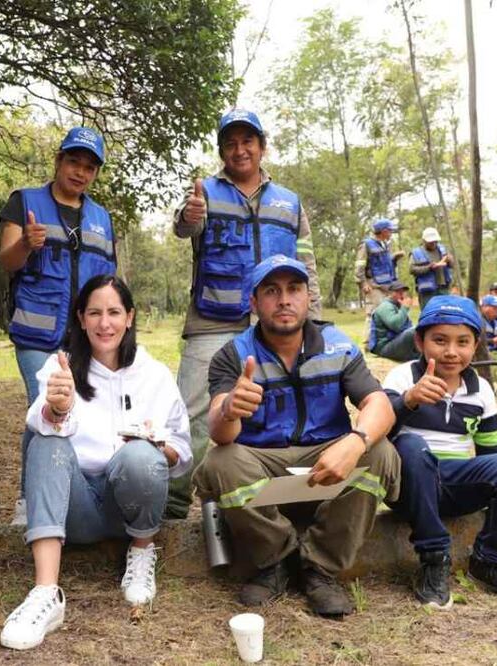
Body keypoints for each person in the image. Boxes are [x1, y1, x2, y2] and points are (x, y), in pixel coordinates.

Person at [192, 255, 400, 616]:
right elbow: (219, 433)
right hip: (262, 463)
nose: (284, 299)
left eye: (294, 289)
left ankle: (320, 569)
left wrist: (355, 442)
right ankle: (277, 561)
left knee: (380, 452)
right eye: (271, 291)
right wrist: (229, 410)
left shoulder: (338, 345)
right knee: (220, 461)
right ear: (254, 303)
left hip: (325, 461)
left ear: (308, 299)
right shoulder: (233, 354)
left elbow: (379, 404)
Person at [0, 275, 192, 650]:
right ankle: (45, 593)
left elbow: (182, 453)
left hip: (131, 507)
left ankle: (140, 554)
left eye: (114, 312)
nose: (105, 323)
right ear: (81, 318)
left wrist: (156, 447)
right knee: (45, 441)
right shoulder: (61, 368)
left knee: (139, 455)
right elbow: (37, 422)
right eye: (95, 313)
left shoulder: (154, 375)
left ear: (130, 317)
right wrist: (58, 408)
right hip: (77, 508)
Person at [168, 108, 321, 520]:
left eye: (247, 141)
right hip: (212, 317)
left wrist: (315, 319)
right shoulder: (205, 192)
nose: (240, 150)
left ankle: (270, 500)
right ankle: (174, 503)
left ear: (262, 147)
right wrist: (189, 216)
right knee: (194, 410)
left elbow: (306, 264)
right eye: (231, 143)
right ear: (221, 151)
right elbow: (184, 227)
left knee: (277, 407)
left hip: (274, 320)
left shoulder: (289, 201)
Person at [382, 295, 497, 608]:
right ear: (419, 341)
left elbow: (491, 456)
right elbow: (378, 433)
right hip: (409, 486)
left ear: (476, 344)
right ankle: (433, 559)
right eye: (439, 340)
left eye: (463, 342)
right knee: (411, 446)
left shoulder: (480, 389)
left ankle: (491, 561)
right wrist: (409, 400)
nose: (451, 352)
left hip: (455, 485)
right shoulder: (402, 377)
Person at [0, 126, 116, 525]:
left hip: (85, 338)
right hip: (37, 336)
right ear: (59, 161)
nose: (80, 172)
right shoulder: (25, 202)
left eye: (89, 167)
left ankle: (66, 493)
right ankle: (30, 502)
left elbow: (108, 281)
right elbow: (7, 260)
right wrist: (26, 244)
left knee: (76, 411)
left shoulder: (101, 218)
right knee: (43, 408)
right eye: (73, 162)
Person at [356, 218, 404, 315]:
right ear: (384, 231)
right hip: (373, 285)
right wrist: (363, 283)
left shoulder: (385, 245)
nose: (391, 233)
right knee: (375, 315)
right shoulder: (366, 244)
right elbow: (359, 266)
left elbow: (384, 264)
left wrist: (394, 258)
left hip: (386, 285)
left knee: (387, 314)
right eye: (390, 231)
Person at [368, 281, 420, 362]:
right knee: (413, 332)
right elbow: (395, 325)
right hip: (384, 347)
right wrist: (405, 308)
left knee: (421, 330)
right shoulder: (385, 306)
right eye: (398, 292)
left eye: (403, 292)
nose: (402, 294)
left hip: (394, 342)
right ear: (390, 293)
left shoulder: (397, 305)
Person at [409, 227, 454, 309]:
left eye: (435, 241)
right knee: (428, 312)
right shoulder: (416, 253)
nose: (433, 244)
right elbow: (412, 269)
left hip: (443, 288)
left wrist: (450, 260)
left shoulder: (442, 250)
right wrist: (429, 267)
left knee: (445, 312)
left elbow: (452, 265)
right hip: (427, 290)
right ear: (424, 241)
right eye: (430, 242)